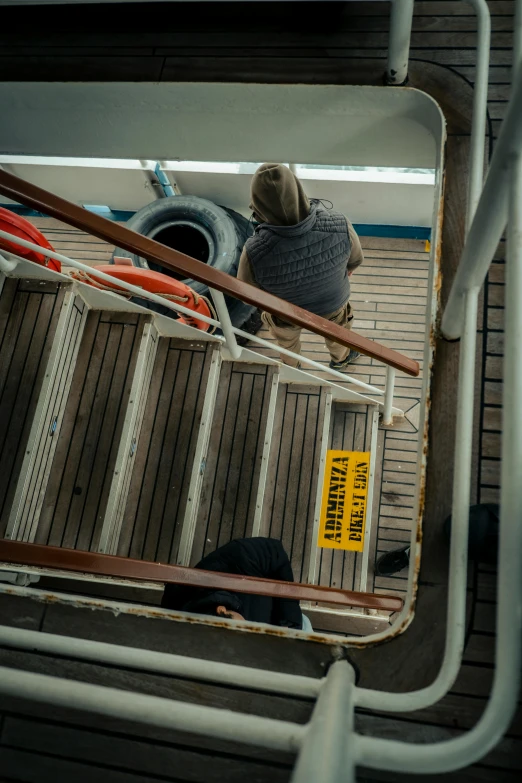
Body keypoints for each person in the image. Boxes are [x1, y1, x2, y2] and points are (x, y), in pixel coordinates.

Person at [238, 162, 364, 370]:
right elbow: (355, 261)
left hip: (285, 312)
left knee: (287, 342)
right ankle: (341, 360)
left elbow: (246, 290)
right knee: (338, 335)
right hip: (332, 303)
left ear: (257, 203)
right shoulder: (339, 224)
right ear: (298, 189)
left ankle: (292, 366)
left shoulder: (254, 251)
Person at [161, 536, 312, 631]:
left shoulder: (232, 561)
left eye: (243, 627)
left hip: (293, 623)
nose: (247, 630)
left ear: (221, 609)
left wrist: (289, 621)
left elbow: (275, 552)